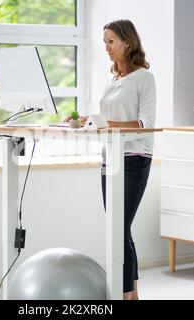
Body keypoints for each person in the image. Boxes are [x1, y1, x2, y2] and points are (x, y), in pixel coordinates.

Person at [64, 19, 156, 300]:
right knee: (120, 228)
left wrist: (109, 124)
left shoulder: (144, 78)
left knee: (118, 229)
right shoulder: (112, 78)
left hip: (135, 158)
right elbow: (106, 120)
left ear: (128, 42)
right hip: (110, 158)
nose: (106, 48)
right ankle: (133, 294)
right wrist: (83, 120)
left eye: (111, 42)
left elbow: (146, 122)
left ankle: (123, 293)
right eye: (104, 42)